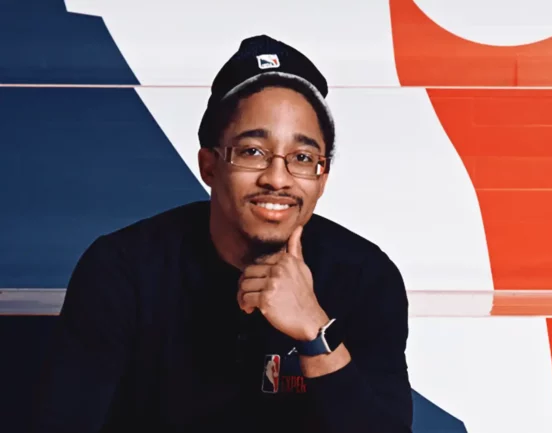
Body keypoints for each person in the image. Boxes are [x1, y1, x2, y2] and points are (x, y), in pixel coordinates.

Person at [33, 34, 413, 433]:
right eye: (252, 152)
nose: (277, 178)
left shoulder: (366, 276)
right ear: (210, 165)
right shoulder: (123, 269)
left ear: (322, 178)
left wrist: (314, 332)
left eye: (302, 158)